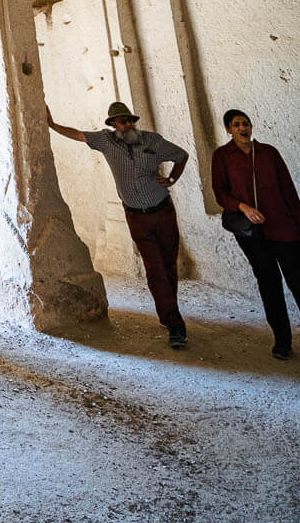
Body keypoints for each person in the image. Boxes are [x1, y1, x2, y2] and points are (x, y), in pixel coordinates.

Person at [46, 99, 190, 348]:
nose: (125, 125)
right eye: (120, 121)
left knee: (168, 265)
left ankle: (169, 311)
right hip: (136, 215)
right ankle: (174, 323)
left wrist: (173, 178)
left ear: (133, 122)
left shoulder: (152, 141)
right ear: (112, 125)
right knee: (154, 268)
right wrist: (52, 124)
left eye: (128, 120)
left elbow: (181, 155)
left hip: (163, 211)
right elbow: (79, 135)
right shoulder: (106, 141)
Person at [211, 108, 300, 361]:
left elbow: (288, 190)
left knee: (298, 280)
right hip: (251, 232)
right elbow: (220, 192)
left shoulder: (269, 153)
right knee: (269, 284)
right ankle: (282, 342)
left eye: (246, 123)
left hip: (283, 226)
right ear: (229, 129)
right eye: (237, 124)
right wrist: (244, 207)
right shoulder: (222, 156)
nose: (243, 128)